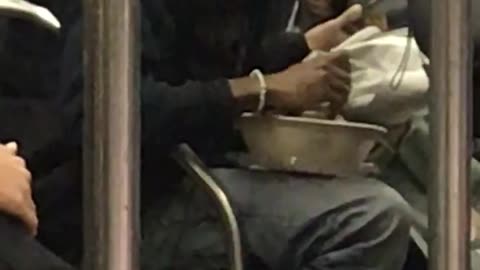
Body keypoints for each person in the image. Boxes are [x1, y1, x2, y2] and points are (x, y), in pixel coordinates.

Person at [28, 0, 413, 269]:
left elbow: (198, 68)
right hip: (116, 207)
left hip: (192, 174)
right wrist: (264, 89)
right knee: (370, 219)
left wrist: (301, 49)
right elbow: (98, 113)